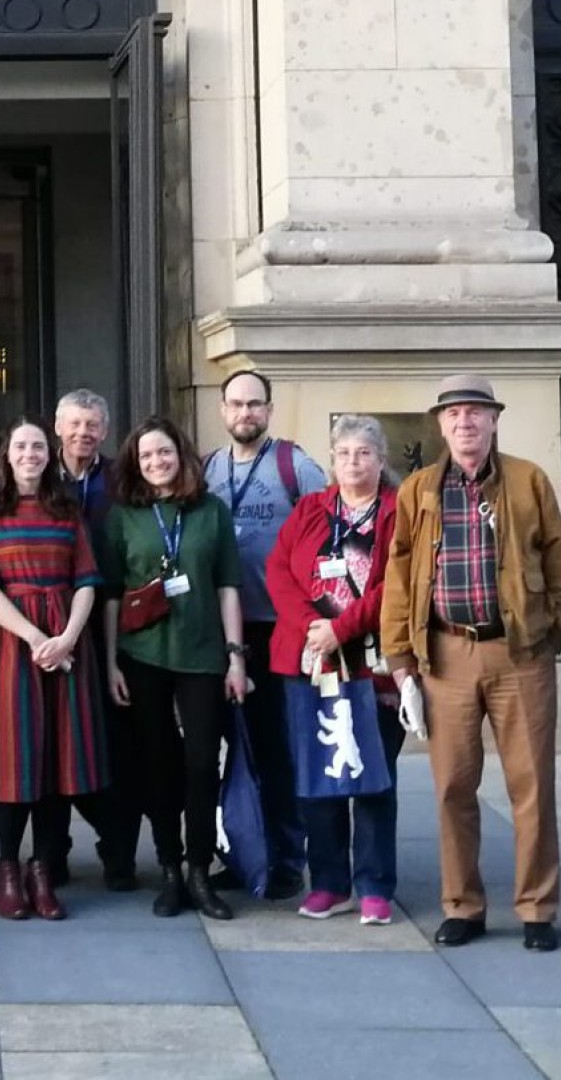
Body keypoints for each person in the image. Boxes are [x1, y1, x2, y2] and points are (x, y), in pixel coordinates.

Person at [382, 373, 561, 952]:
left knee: (531, 785)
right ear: (441, 425)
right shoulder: (418, 489)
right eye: (455, 414)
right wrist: (400, 659)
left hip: (520, 653)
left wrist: (557, 628)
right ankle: (463, 905)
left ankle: (537, 909)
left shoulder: (527, 480)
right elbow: (398, 572)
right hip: (446, 654)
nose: (465, 423)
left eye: (476, 413)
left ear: (494, 420)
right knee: (452, 787)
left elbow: (559, 556)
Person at [101, 416, 247, 920]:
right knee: (158, 764)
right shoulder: (123, 517)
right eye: (145, 457)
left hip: (203, 654)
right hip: (142, 656)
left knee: (202, 763)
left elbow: (228, 584)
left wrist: (235, 656)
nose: (156, 463)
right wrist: (109, 662)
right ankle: (169, 868)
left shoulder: (211, 512)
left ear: (180, 455)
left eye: (163, 453)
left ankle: (200, 871)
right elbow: (113, 596)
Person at [0, 416, 108, 920]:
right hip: (14, 648)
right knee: (16, 762)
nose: (30, 453)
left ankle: (44, 870)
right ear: (7, 455)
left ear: (50, 455)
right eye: (21, 445)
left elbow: (88, 579)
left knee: (58, 765)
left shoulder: (67, 509)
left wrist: (67, 636)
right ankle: (8, 869)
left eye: (38, 447)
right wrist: (35, 637)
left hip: (67, 646)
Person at [266, 415, 404, 926]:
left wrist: (341, 628)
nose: (353, 462)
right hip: (309, 660)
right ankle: (328, 882)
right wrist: (311, 627)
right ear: (331, 460)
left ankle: (374, 884)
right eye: (344, 453)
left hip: (372, 665)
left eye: (364, 453)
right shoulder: (310, 509)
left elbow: (398, 583)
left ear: (381, 459)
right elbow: (278, 572)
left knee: (374, 777)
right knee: (318, 776)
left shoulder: (397, 512)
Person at [203, 369, 326, 899]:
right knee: (233, 750)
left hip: (280, 630)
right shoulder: (207, 469)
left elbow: (329, 541)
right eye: (236, 404)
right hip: (221, 629)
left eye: (255, 404)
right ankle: (241, 851)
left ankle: (286, 859)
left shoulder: (295, 467)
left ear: (269, 410)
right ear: (223, 410)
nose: (245, 413)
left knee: (279, 748)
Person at [50, 388, 141, 890]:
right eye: (74, 424)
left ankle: (119, 853)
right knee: (55, 743)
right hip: (50, 624)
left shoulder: (121, 481)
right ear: (57, 427)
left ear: (105, 432)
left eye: (92, 425)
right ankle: (54, 854)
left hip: (112, 623)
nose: (83, 433)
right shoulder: (37, 477)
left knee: (116, 748)